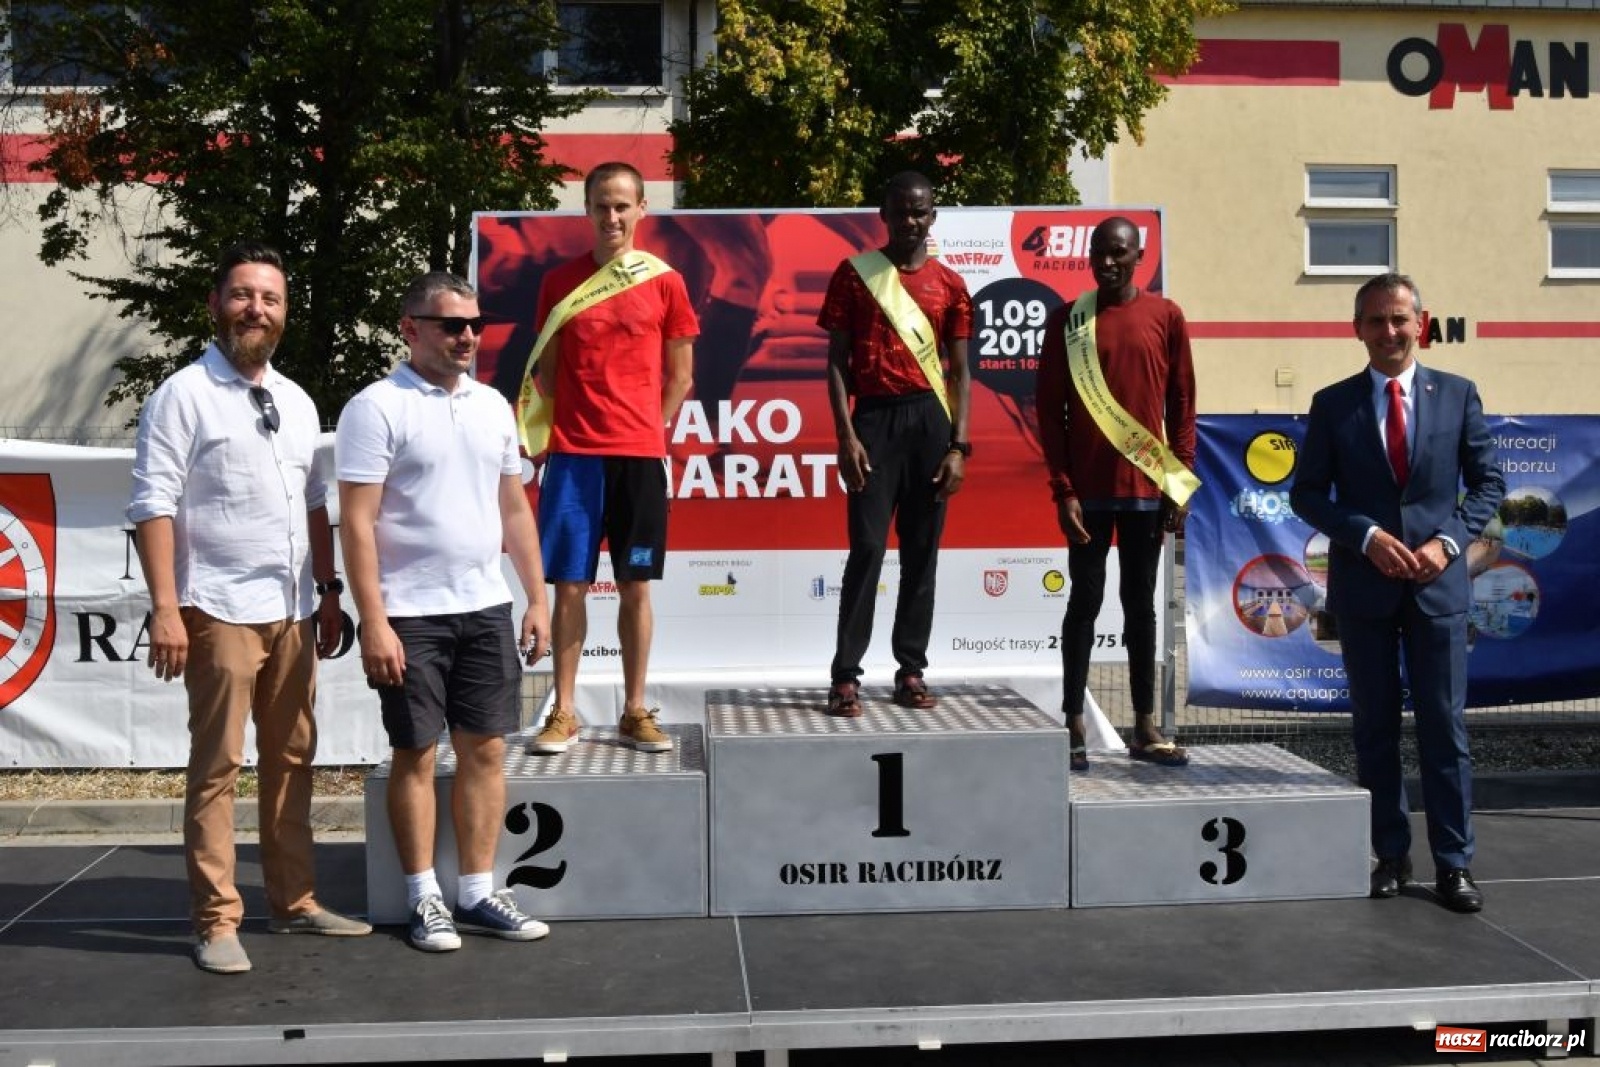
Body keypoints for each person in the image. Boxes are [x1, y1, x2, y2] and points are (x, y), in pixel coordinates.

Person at [128, 241, 371, 976]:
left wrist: (329, 596)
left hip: (294, 609)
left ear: (284, 312)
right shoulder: (181, 395)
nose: (255, 309)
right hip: (219, 608)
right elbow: (152, 504)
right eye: (242, 295)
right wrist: (166, 608)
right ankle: (215, 919)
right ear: (215, 304)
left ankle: (293, 901)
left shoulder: (295, 399)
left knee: (293, 758)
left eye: (269, 298)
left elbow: (317, 503)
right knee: (218, 766)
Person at [337, 272, 554, 951]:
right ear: (410, 327)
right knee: (416, 753)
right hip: (410, 615)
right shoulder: (375, 408)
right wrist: (372, 619)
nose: (466, 336)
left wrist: (537, 597)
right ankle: (423, 896)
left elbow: (513, 507)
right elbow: (356, 521)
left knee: (487, 750)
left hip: (485, 606)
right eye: (450, 324)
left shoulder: (493, 405)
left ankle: (478, 891)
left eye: (474, 324)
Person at [1290, 273, 1503, 913]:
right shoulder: (1334, 404)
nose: (1389, 333)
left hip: (1439, 590)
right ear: (1356, 329)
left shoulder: (1458, 395)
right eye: (1375, 322)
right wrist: (1364, 535)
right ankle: (1390, 855)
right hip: (1366, 592)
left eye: (1399, 320)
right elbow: (1306, 493)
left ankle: (1454, 865)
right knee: (1375, 731)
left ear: (1422, 323)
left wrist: (1449, 541)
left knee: (1445, 729)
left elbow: (1488, 485)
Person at [524, 161, 698, 755]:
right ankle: (566, 711)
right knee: (569, 588)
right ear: (587, 209)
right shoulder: (560, 282)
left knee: (636, 586)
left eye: (623, 205)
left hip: (640, 459)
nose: (612, 216)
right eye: (602, 205)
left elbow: (681, 376)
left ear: (642, 210)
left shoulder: (666, 282)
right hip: (574, 457)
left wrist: (648, 427)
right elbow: (547, 371)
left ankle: (633, 710)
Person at [1035, 216, 1198, 771]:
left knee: (1139, 610)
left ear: (1139, 256)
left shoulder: (1166, 316)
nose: (1107, 263)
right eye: (1099, 253)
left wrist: (1179, 483)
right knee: (1083, 603)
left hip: (1146, 491)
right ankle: (1073, 720)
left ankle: (1146, 723)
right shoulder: (1068, 321)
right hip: (1088, 493)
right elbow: (1049, 415)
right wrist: (1064, 490)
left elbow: (1182, 405)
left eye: (1119, 253)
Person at [820, 171, 972, 716]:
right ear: (883, 213)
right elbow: (835, 363)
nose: (910, 221)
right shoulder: (854, 276)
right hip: (875, 424)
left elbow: (960, 374)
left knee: (921, 554)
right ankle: (845, 675)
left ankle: (910, 669)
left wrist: (959, 446)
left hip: (932, 424)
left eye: (921, 211)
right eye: (901, 210)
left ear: (933, 217)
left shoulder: (951, 284)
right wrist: (845, 435)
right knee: (866, 550)